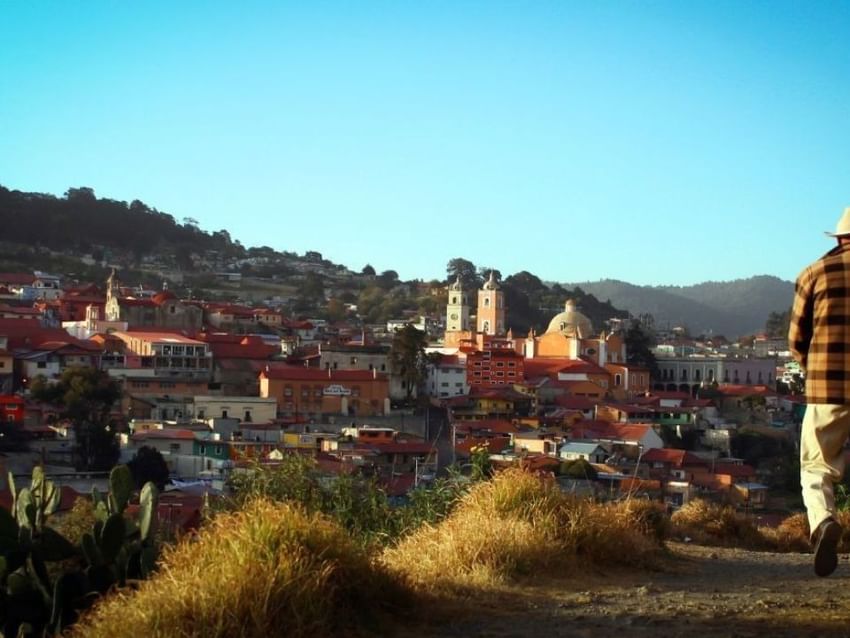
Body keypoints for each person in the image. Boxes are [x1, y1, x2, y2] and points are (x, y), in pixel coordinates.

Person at [789, 206, 850, 577]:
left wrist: (811, 366)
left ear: (841, 237)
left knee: (816, 465)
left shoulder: (815, 272)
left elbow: (797, 338)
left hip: (828, 386)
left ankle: (824, 521)